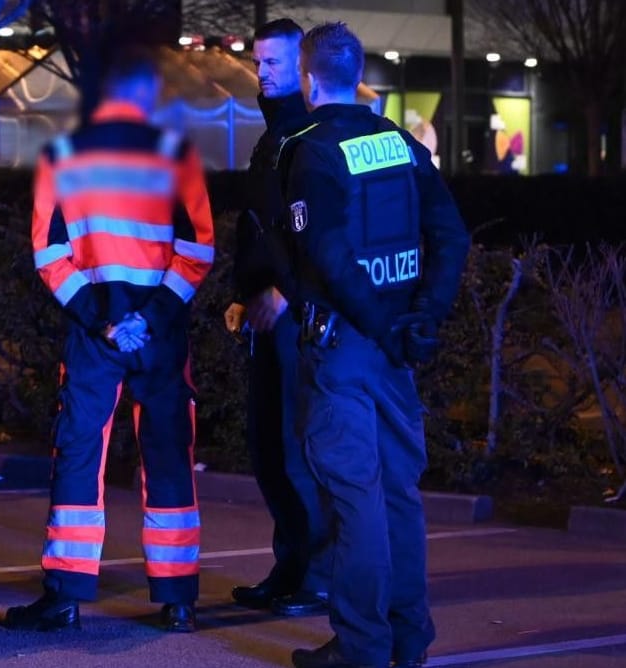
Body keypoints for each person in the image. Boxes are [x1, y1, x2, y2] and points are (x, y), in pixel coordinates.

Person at [273, 23, 470, 668]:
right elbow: (453, 237)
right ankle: (407, 641)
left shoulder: (310, 149)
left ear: (308, 79)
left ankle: (360, 648)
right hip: (397, 350)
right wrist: (423, 317)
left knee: (356, 499)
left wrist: (385, 326)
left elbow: (326, 253)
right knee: (398, 498)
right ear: (356, 75)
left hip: (349, 349)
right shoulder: (401, 143)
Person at [5, 47, 215, 634]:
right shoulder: (176, 155)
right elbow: (197, 249)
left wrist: (103, 317)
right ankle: (178, 601)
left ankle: (66, 594)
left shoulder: (65, 154)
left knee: (79, 454)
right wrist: (149, 318)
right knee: (168, 453)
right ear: (148, 96)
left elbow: (49, 253)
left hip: (95, 333)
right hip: (160, 332)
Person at [224, 17, 331, 619]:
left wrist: (285, 295)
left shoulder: (308, 135)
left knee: (294, 449)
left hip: (295, 316)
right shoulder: (274, 137)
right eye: (258, 61)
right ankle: (291, 566)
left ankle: (316, 574)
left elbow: (318, 233)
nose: (261, 72)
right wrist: (246, 291)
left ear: (305, 70)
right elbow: (261, 229)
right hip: (268, 313)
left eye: (273, 63)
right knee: (268, 448)